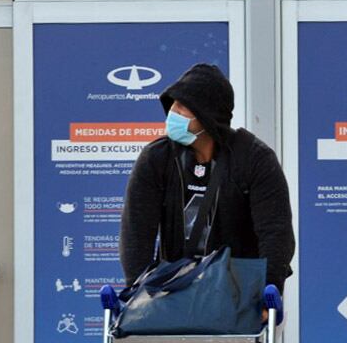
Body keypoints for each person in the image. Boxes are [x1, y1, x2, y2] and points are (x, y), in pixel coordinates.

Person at [120, 63, 295, 298]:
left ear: (207, 116)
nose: (173, 111)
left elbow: (275, 233)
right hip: (174, 291)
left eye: (183, 107)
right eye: (173, 103)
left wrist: (268, 292)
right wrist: (139, 292)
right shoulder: (157, 158)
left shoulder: (255, 159)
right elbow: (136, 234)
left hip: (239, 293)